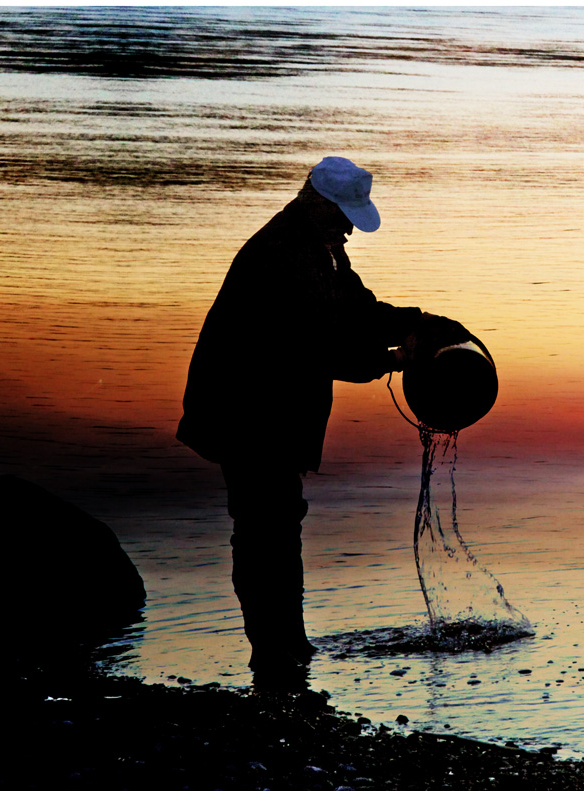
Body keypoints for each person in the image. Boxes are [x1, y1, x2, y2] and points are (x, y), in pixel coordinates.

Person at [177, 156, 443, 683]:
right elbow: (315, 348)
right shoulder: (283, 257)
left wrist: (422, 323)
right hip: (243, 411)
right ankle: (275, 653)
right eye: (344, 213)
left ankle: (284, 646)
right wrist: (389, 360)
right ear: (316, 202)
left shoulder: (322, 248)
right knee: (263, 529)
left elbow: (357, 311)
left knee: (277, 524)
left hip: (274, 409)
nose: (349, 225)